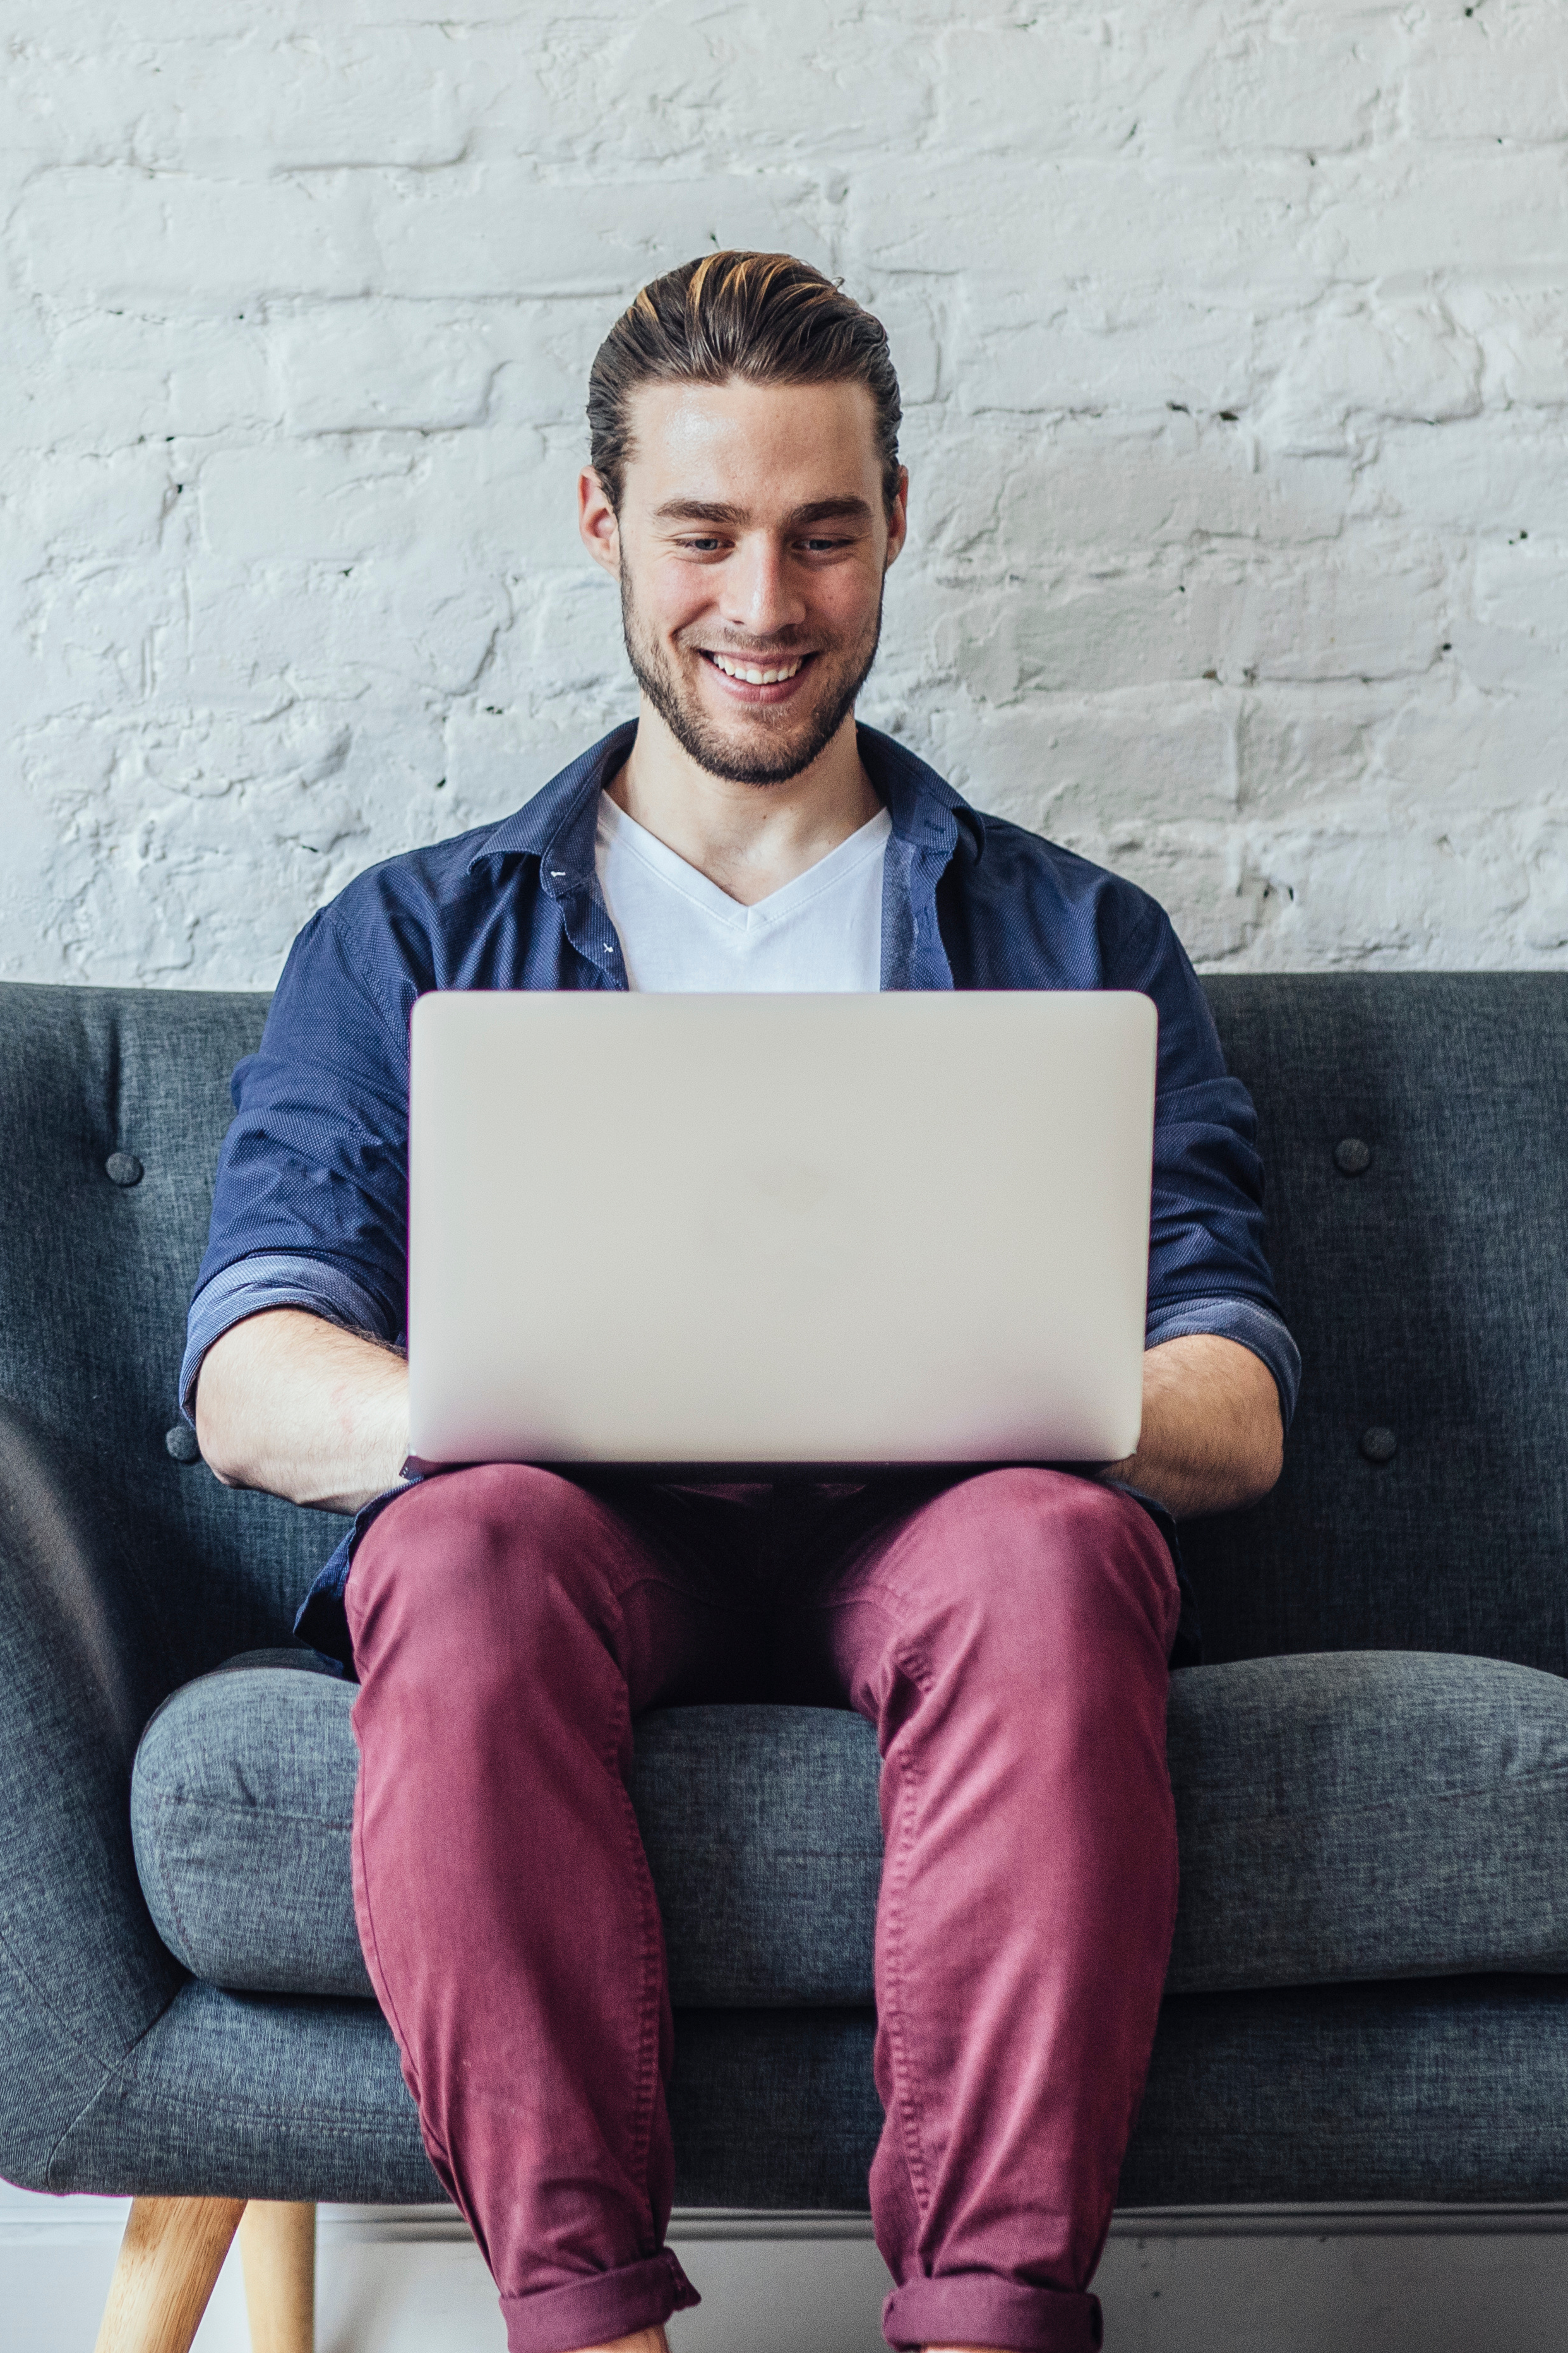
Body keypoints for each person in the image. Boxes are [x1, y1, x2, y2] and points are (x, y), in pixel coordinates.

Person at [183, 253, 1303, 2353]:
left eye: (821, 532)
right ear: (603, 524)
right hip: (583, 1548)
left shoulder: (1079, 939)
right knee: (464, 1543)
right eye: (703, 533)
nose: (764, 605)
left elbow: (1231, 1399)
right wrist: (502, 1400)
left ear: (895, 525)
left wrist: (1042, 1387)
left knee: (1059, 1552)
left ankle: (984, 2325)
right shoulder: (416, 939)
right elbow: (256, 1374)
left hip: (952, 1534)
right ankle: (591, 2326)